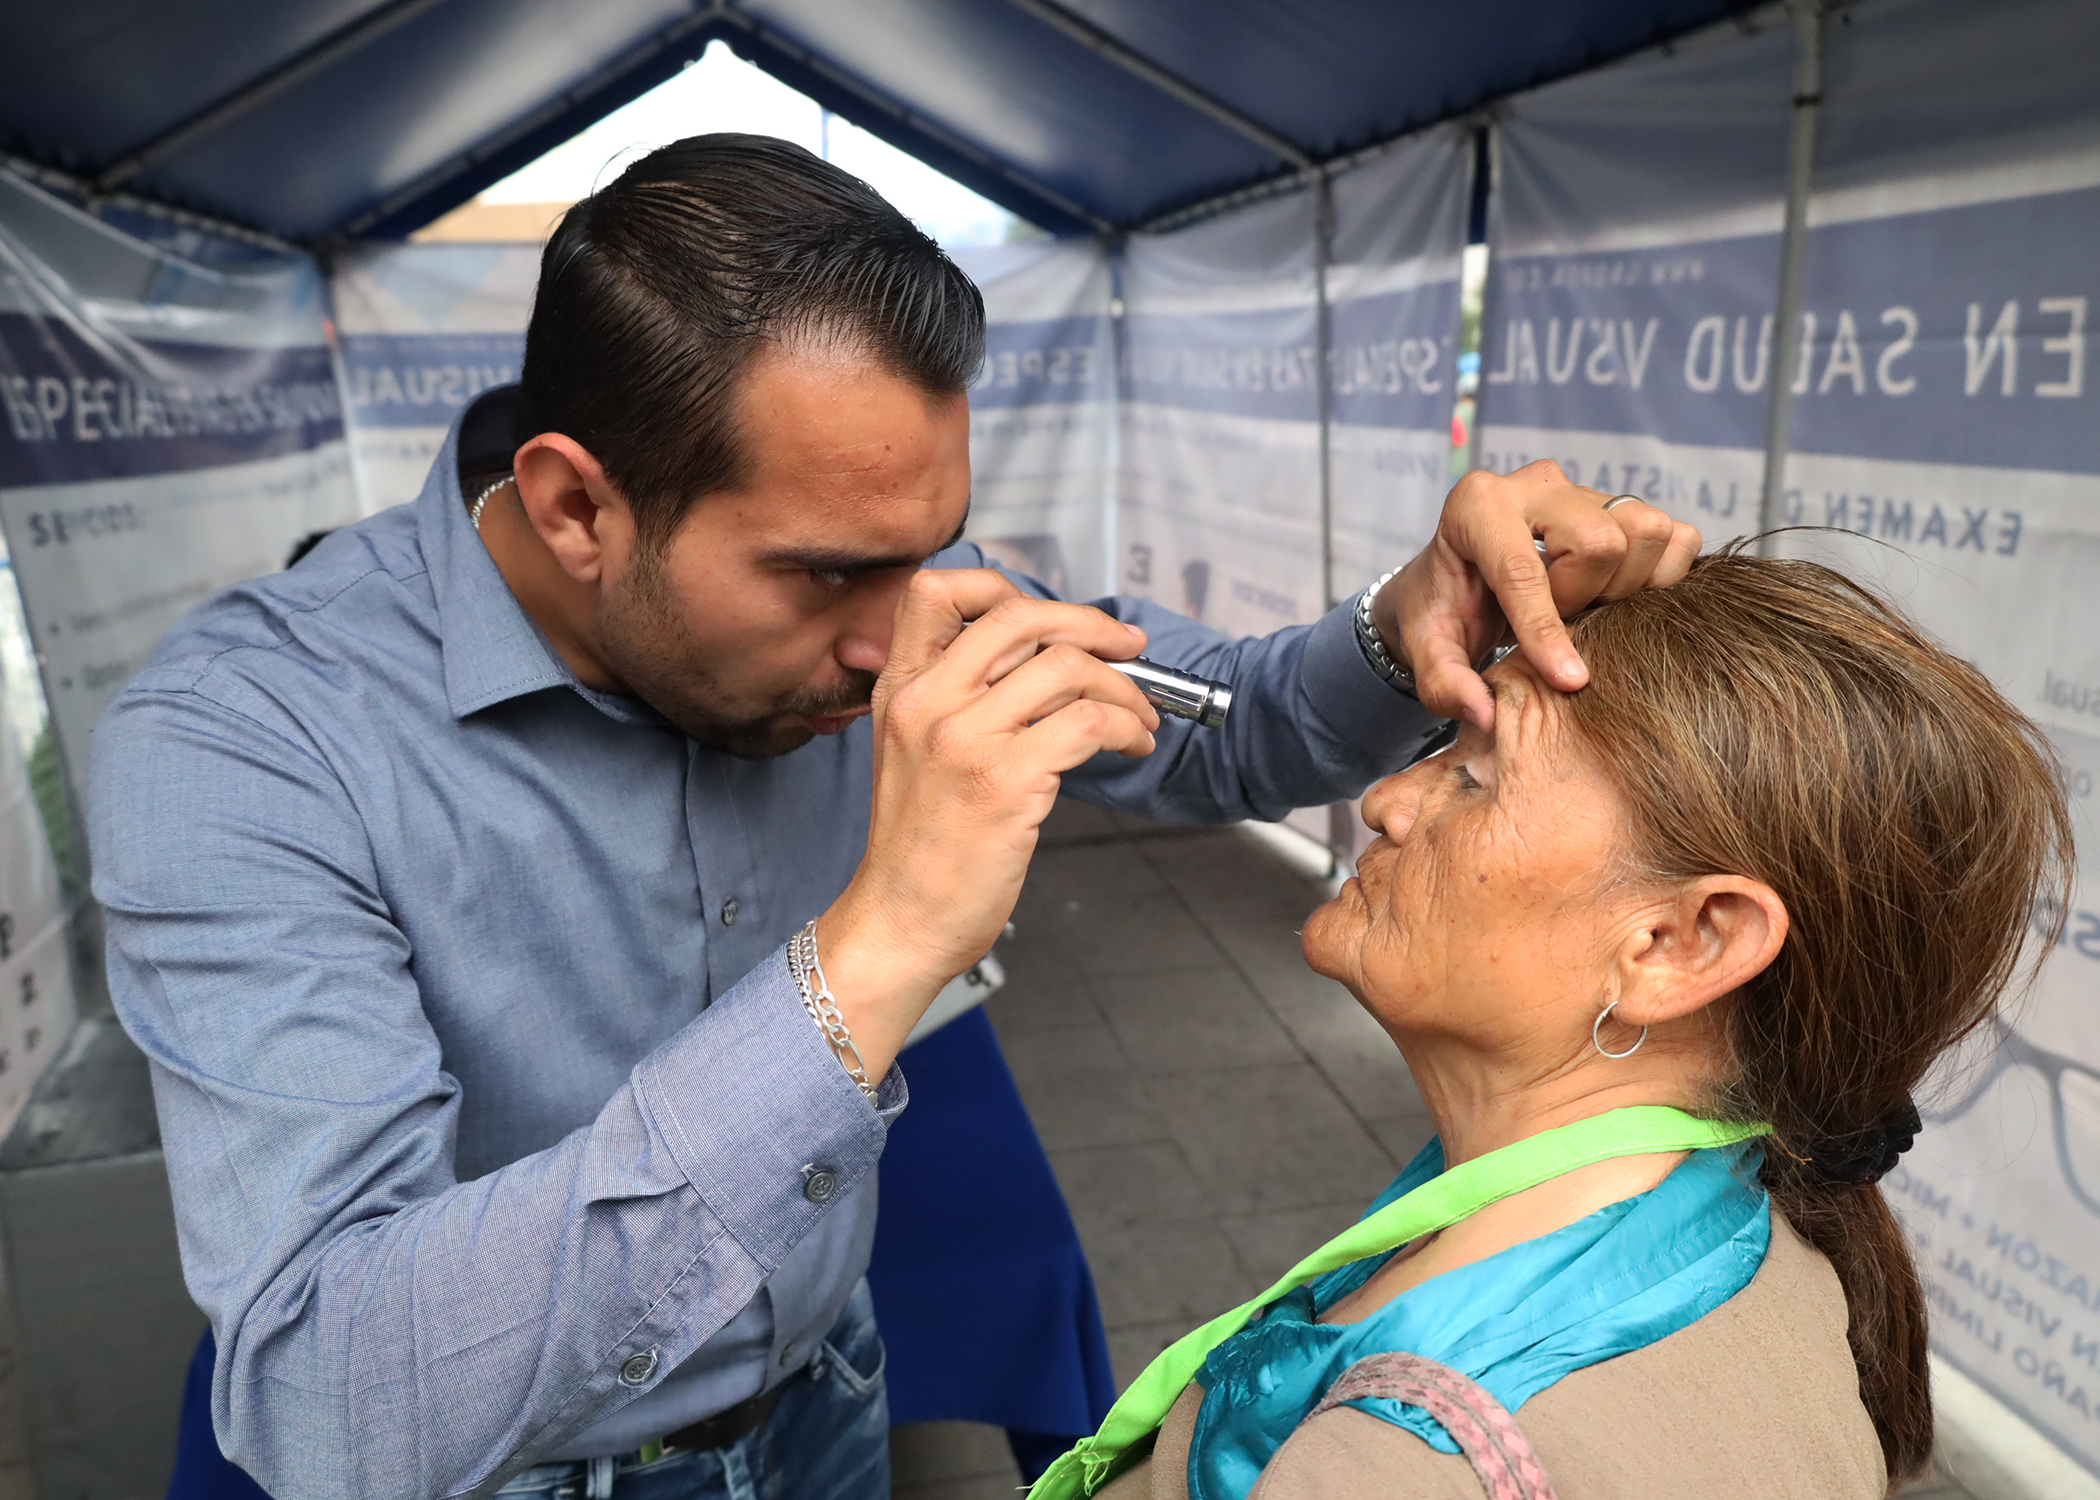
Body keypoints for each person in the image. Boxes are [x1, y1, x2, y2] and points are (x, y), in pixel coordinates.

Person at [86, 134, 1696, 1500]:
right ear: (580, 505)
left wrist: (1406, 620)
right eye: (822, 575)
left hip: (824, 1399)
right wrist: (883, 945)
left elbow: (1223, 724)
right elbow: (327, 1396)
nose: (896, 642)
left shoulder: (884, 590)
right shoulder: (248, 742)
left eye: (929, 548)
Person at [1071, 547, 2073, 1500]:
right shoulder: (1775, 1242)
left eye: (1472, 776)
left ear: (1677, 944)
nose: (1386, 801)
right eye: (1441, 752)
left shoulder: (1408, 1461)